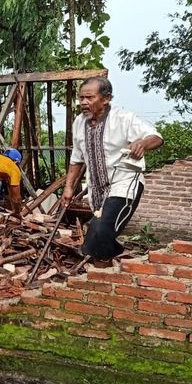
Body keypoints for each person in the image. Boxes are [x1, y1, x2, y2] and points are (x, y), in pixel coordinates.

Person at [62, 77, 163, 266]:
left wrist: (142, 143)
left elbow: (156, 137)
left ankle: (103, 268)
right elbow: (76, 159)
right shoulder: (79, 123)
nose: (83, 102)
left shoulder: (124, 119)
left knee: (99, 230)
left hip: (125, 184)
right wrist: (68, 188)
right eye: (81, 98)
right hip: (97, 189)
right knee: (99, 234)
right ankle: (109, 270)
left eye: (89, 97)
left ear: (106, 98)